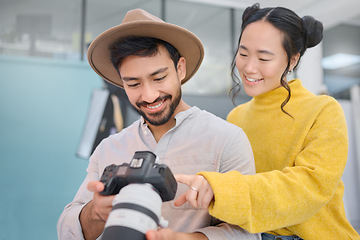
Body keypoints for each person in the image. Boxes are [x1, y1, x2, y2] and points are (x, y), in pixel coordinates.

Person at [57, 8, 260, 240]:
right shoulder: (108, 148)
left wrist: (182, 239)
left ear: (180, 69)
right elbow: (66, 231)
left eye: (159, 78)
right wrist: (96, 212)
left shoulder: (227, 140)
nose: (150, 95)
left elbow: (247, 234)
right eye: (133, 84)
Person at [173, 3, 360, 240]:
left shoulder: (323, 110)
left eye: (264, 57)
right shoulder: (236, 117)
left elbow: (309, 189)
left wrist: (223, 190)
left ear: (292, 60)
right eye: (243, 54)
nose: (249, 67)